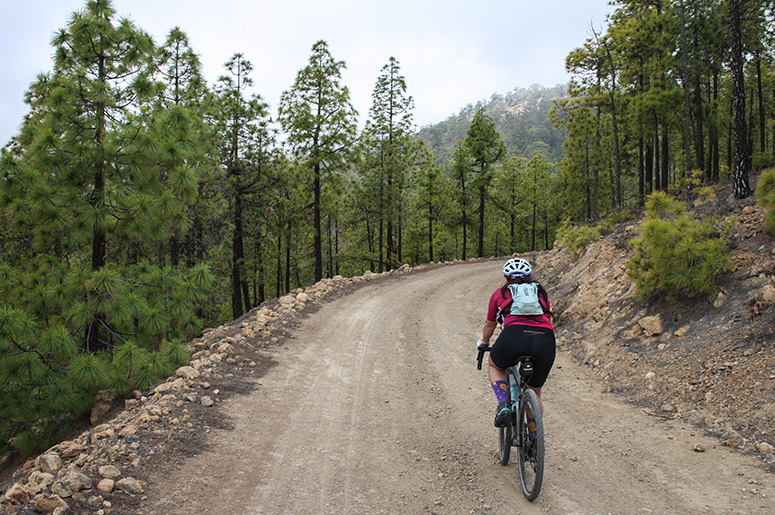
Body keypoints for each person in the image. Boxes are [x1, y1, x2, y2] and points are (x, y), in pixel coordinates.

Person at [476, 257, 556, 427]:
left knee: (495, 365)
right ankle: (534, 442)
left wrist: (483, 342)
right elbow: (548, 318)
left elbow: (490, 324)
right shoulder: (541, 292)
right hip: (544, 339)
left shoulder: (500, 294)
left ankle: (504, 403)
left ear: (506, 278)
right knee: (534, 391)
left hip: (513, 336)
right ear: (530, 276)